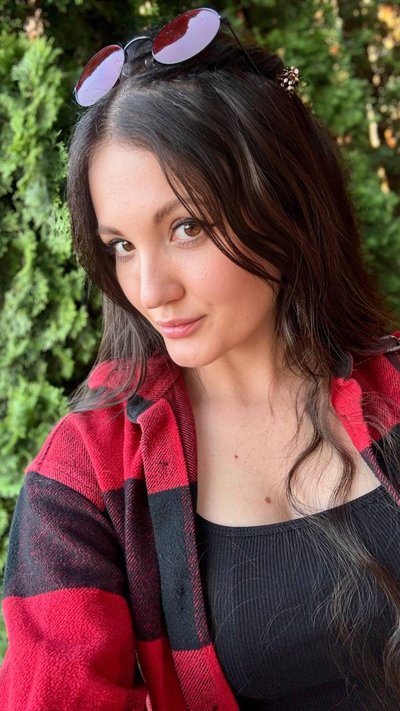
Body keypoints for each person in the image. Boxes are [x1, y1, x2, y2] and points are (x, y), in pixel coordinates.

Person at [1, 7, 399, 710]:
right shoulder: (87, 476)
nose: (150, 290)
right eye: (122, 245)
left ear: (282, 202)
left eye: (185, 227)